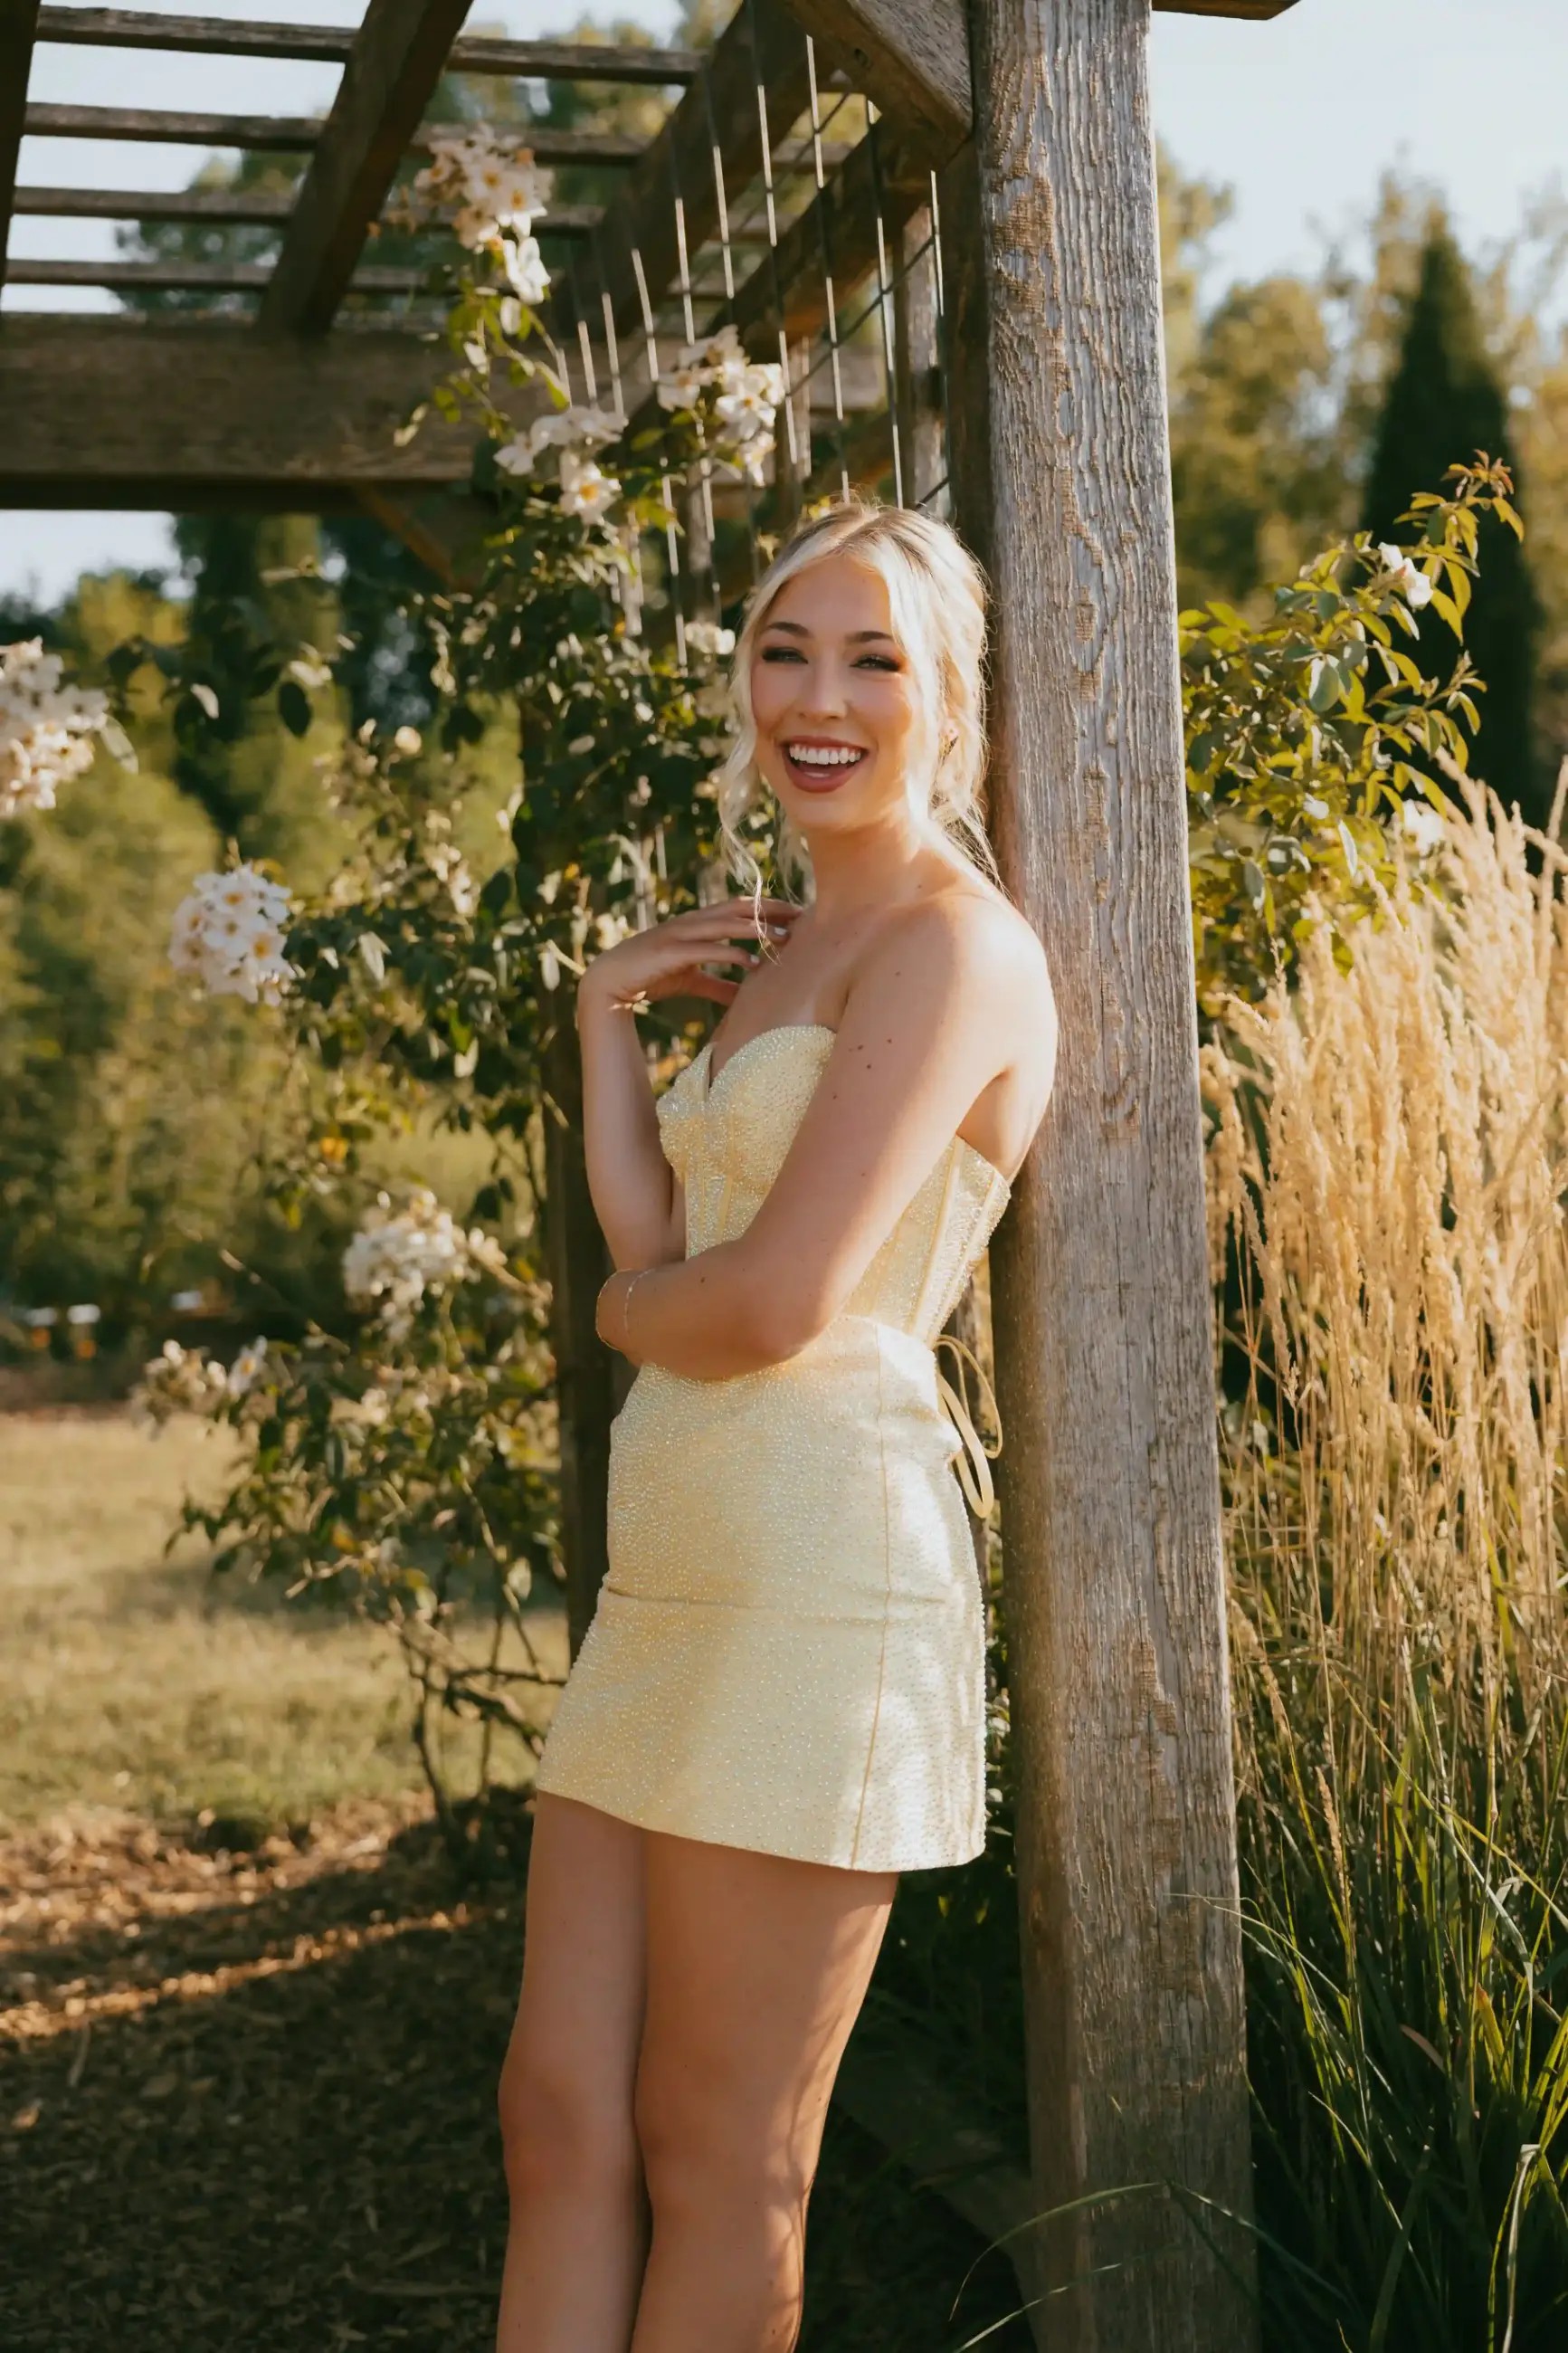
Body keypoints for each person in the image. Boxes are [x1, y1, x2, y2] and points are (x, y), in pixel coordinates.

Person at [495, 498, 1057, 2352]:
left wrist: (612, 1318)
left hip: (824, 1581)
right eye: (784, 652)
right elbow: (667, 1234)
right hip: (671, 1577)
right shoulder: (797, 940)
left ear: (951, 700)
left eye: (873, 658)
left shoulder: (956, 949)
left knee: (720, 2149)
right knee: (561, 2114)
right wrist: (602, 1018)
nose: (818, 699)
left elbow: (764, 1301)